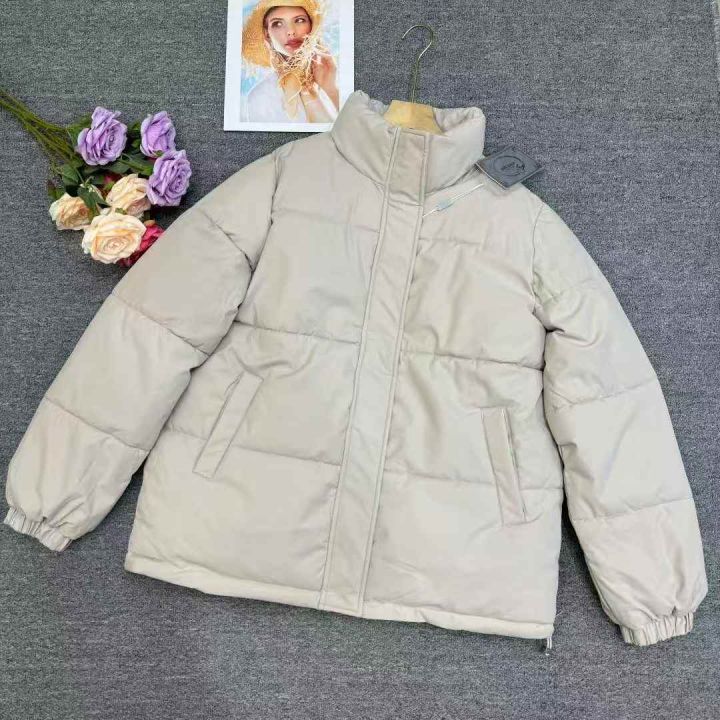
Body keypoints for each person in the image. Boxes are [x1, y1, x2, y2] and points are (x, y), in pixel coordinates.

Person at [241, 0, 339, 123]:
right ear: (267, 34)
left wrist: (331, 88)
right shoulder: (260, 96)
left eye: (299, 20)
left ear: (311, 26)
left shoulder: (336, 74)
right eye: (277, 23)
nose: (291, 31)